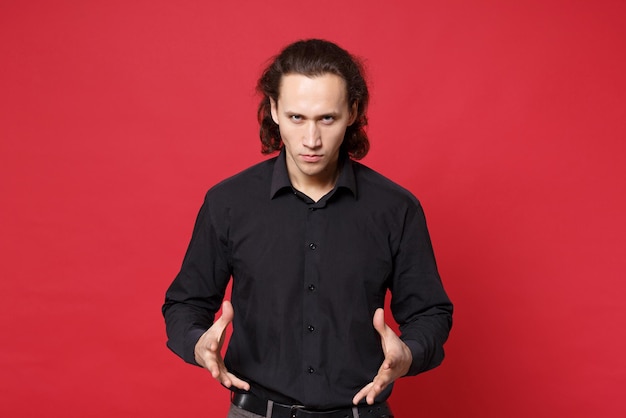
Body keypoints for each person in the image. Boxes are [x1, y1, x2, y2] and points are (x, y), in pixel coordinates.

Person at [162, 39, 453, 418]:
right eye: (297, 117)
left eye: (326, 119)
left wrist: (408, 353)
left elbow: (431, 312)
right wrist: (197, 343)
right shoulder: (228, 202)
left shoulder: (396, 208)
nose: (311, 140)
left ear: (352, 112)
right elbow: (184, 303)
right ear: (274, 110)